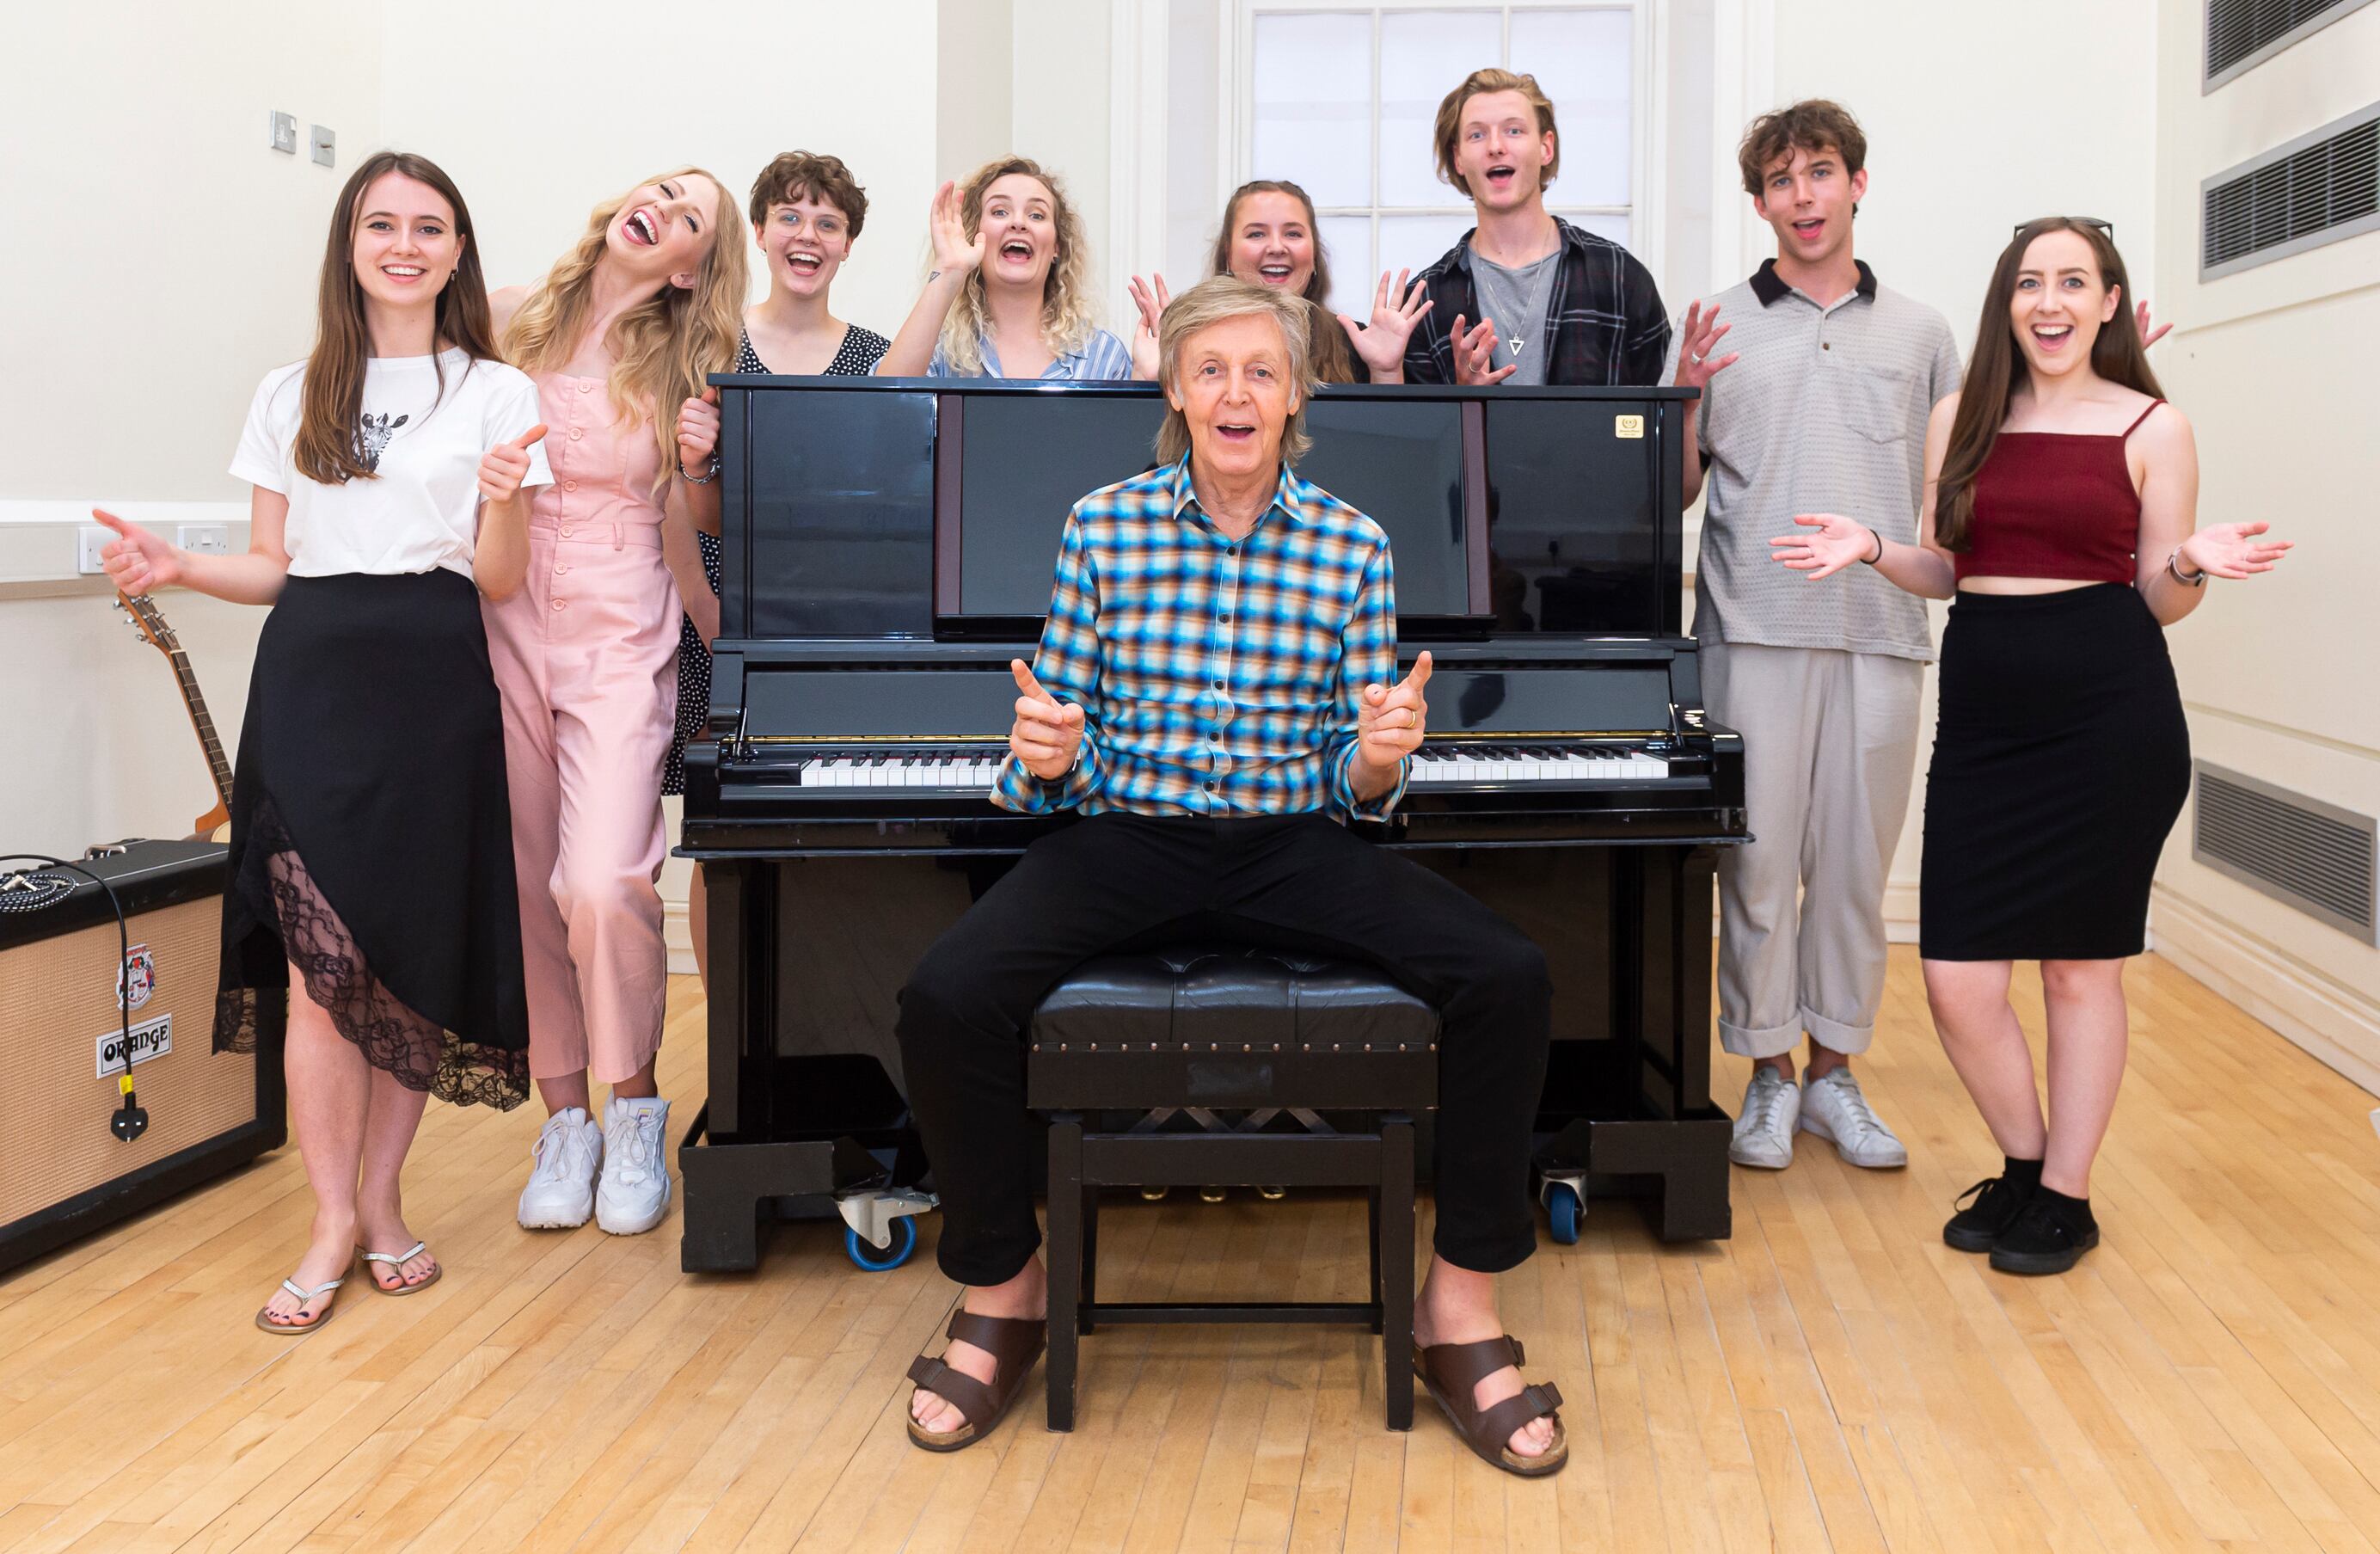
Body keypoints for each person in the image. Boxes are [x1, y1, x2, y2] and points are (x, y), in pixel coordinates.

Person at [892, 277, 1567, 1477]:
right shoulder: (1103, 526)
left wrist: (1375, 755)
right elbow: (1062, 731)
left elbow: (1358, 781)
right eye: (1212, 370)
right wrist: (1046, 752)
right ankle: (1005, 1287)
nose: (1236, 392)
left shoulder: (1353, 543)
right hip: (1126, 836)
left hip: (1290, 842)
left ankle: (1455, 1306)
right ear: (1173, 388)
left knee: (1507, 975)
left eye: (1262, 369)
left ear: (1297, 391)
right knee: (946, 993)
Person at [1771, 217, 2289, 1275]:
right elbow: (1949, 569)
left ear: (2107, 302)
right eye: (2028, 284)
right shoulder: (1962, 416)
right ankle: (2023, 1161)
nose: (2047, 302)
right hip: (1985, 721)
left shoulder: (2153, 426)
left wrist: (2187, 558)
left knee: (2075, 974)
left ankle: (2063, 1193)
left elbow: (2157, 601)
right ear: (2007, 302)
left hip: (2109, 720)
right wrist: (1874, 549)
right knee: (1958, 976)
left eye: (2072, 283)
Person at [96, 150, 548, 1333]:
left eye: (430, 225)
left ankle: (385, 1200)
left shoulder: (497, 393)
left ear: (458, 250)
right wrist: (182, 565)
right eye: (382, 223)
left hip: (433, 674)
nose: (405, 242)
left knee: (398, 964)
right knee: (316, 969)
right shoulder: (289, 389)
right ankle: (329, 1220)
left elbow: (499, 578)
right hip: (312, 679)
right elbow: (273, 564)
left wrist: (504, 492)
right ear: (350, 243)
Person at [1659, 101, 1961, 1173]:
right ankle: (1765, 1077)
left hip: (1880, 635)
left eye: (1819, 172)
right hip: (1749, 633)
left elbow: (1950, 500)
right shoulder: (1712, 322)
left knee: (1850, 872)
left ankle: (1835, 1072)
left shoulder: (1923, 334)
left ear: (1855, 184)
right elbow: (1673, 490)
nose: (1802, 196)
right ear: (1759, 203)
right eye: (1780, 180)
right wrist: (1684, 394)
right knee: (1753, 866)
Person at [488, 167, 746, 1237]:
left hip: (618, 622)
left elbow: (708, 514)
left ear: (688, 264)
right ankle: (565, 1118)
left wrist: (722, 634)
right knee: (524, 875)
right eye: (665, 188)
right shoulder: (506, 321)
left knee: (600, 879)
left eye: (692, 217)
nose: (667, 209)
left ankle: (633, 1101)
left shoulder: (694, 362)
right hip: (497, 606)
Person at [665, 152, 891, 986]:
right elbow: (673, 495)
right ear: (759, 233)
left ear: (847, 245)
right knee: (722, 838)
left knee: (829, 829)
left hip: (834, 632)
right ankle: (732, 1023)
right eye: (790, 216)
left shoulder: (875, 356)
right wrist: (708, 615)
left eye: (827, 221)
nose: (808, 234)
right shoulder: (709, 343)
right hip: (720, 625)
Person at [1399, 67, 1670, 387]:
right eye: (1477, 134)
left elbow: (1661, 420)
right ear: (1458, 158)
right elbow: (1413, 433)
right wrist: (1462, 403)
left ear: (1546, 148)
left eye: (1514, 131)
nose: (1496, 146)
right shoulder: (1425, 299)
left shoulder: (1620, 276)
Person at [1125, 178, 1430, 385]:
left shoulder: (1359, 346)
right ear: (1228, 255)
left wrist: (1385, 370)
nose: (1276, 247)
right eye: (1256, 234)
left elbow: (1387, 459)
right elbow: (1142, 461)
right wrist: (1146, 378)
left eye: (1293, 233)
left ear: (1314, 257)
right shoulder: (1189, 341)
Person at [874, 156, 1132, 380]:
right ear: (974, 235)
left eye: (1036, 215)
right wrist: (949, 270)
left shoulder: (1102, 355)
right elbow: (884, 408)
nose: (1018, 222)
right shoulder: (939, 352)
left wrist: (1153, 379)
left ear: (1057, 246)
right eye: (999, 212)